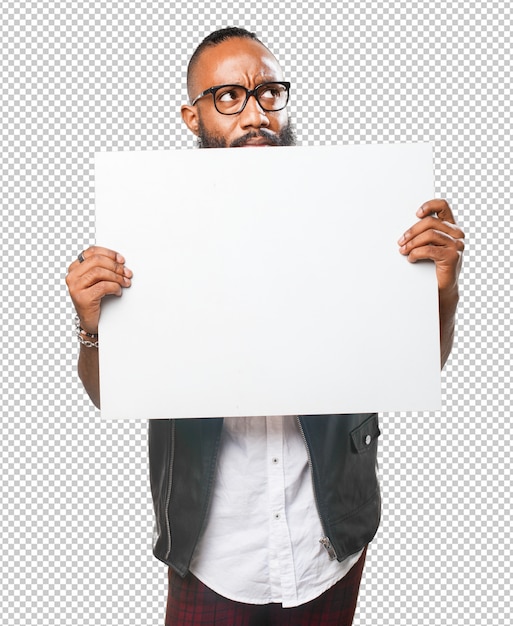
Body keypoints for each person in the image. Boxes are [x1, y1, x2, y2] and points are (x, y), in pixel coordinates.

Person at [66, 27, 464, 626]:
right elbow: (108, 395)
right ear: (190, 114)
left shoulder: (355, 209)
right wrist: (91, 326)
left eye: (269, 93)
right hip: (215, 551)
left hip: (327, 537)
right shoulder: (151, 228)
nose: (255, 114)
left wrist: (443, 291)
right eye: (228, 97)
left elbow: (417, 364)